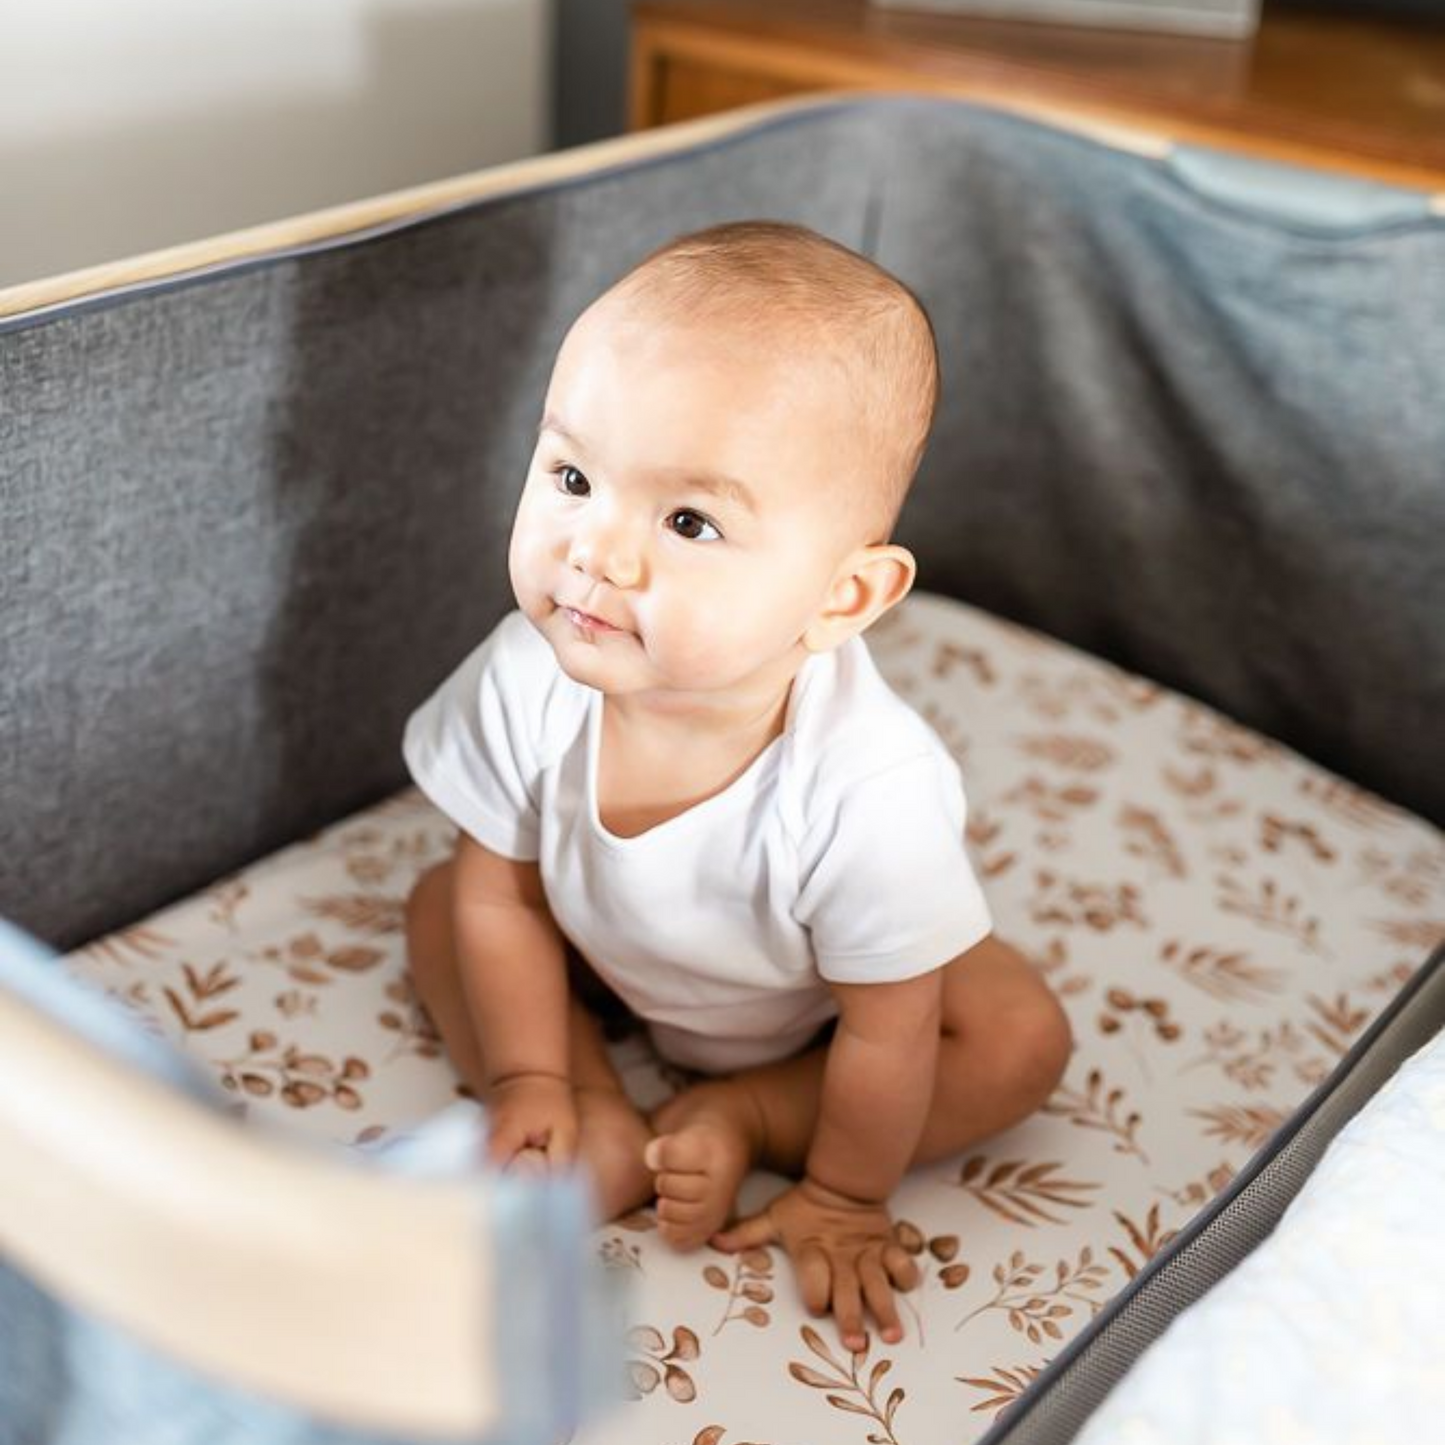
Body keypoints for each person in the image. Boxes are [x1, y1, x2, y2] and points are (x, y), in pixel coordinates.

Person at [402, 220, 1072, 1352]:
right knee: (443, 902)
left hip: (813, 1011)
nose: (595, 551)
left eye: (688, 521)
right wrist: (527, 1074)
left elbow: (887, 1030)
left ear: (842, 598)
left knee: (1015, 1036)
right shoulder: (524, 674)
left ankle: (748, 1113)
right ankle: (592, 1114)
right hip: (601, 945)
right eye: (572, 476)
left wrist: (845, 1194)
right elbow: (502, 897)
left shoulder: (870, 789)